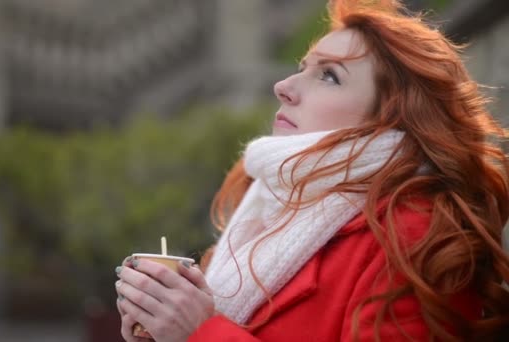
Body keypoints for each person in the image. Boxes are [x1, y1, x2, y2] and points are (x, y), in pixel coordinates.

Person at [114, 0, 509, 340]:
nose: (283, 85)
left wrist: (201, 333)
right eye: (303, 67)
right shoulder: (268, 206)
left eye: (329, 76)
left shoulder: (419, 239)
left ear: (390, 120)